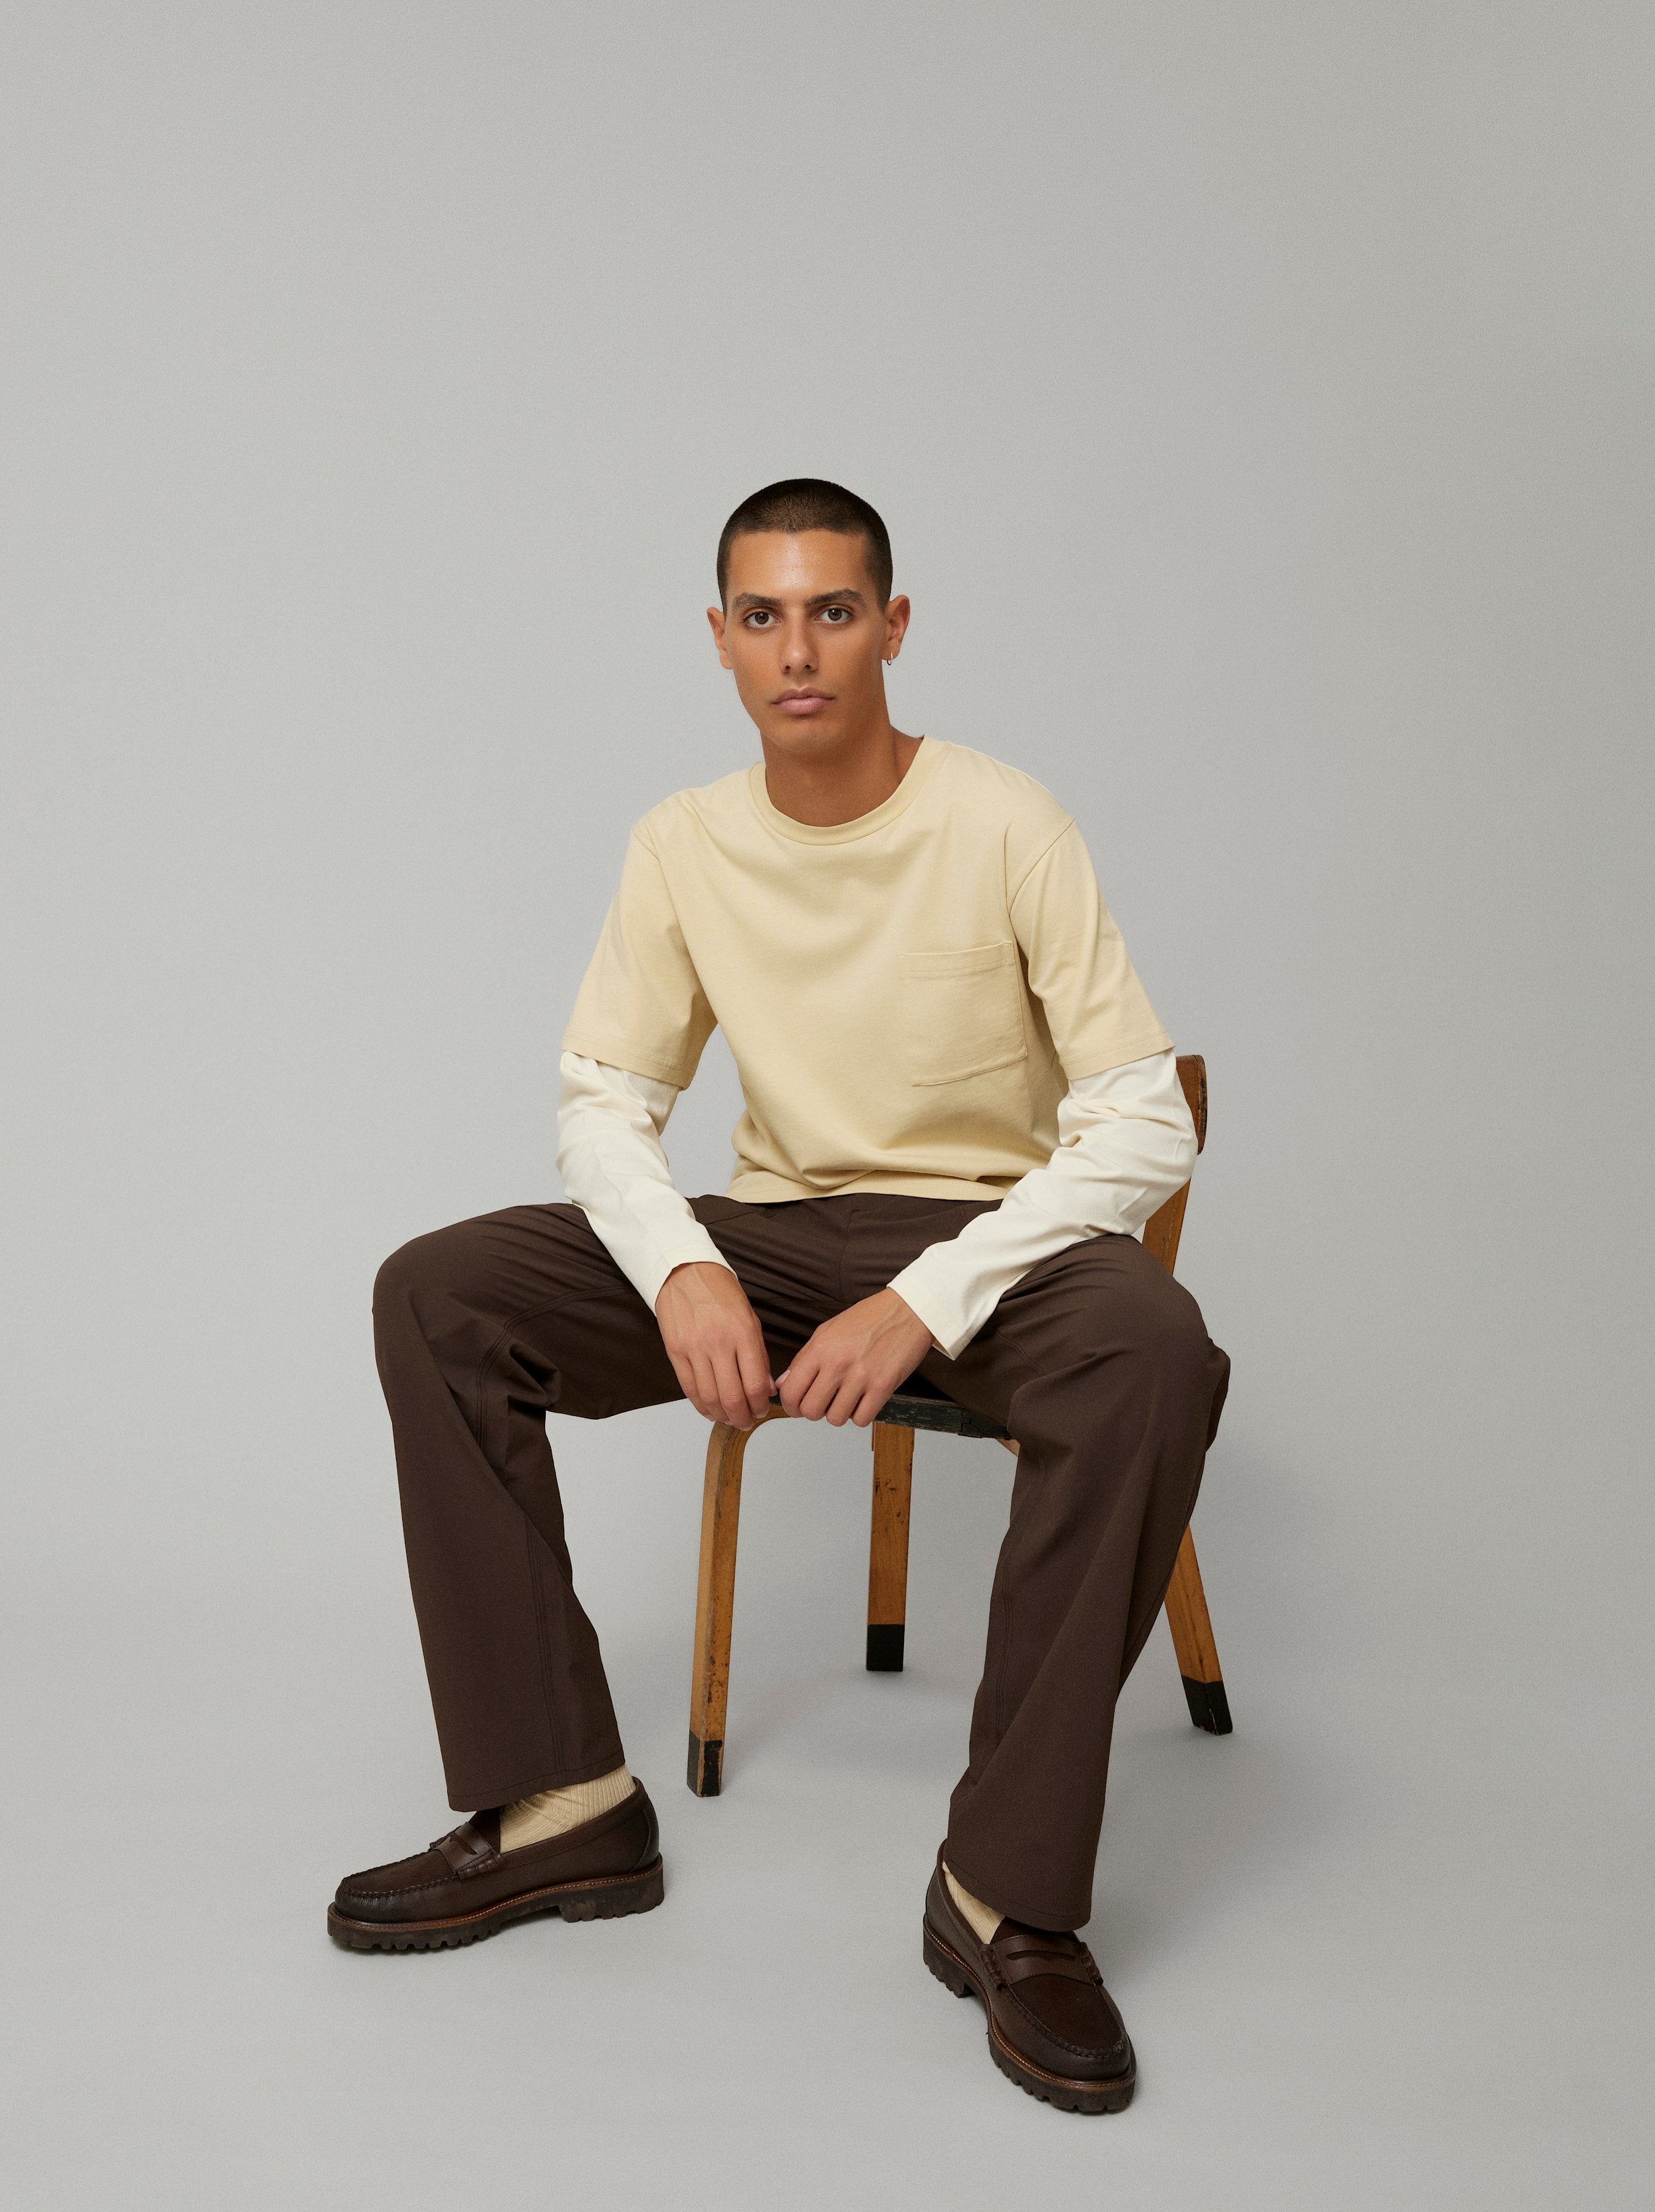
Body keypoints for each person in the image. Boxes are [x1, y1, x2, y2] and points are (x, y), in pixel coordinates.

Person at [327, 479, 1230, 2114]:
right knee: (436, 1297)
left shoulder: (1003, 821)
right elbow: (604, 1100)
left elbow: (1140, 1116)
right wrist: (682, 1263)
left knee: (1156, 1349)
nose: (796, 650)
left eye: (831, 612)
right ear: (720, 640)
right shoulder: (682, 844)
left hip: (984, 1246)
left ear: (892, 627)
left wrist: (926, 1301)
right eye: (762, 617)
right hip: (768, 1237)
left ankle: (1005, 1897)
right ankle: (561, 1805)